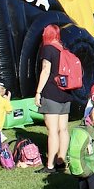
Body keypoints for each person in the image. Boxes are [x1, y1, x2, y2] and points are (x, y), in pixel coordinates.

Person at [35, 25, 73, 174]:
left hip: (51, 92)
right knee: (63, 129)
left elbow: (46, 70)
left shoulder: (47, 49)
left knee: (52, 131)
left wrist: (38, 92)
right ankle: (61, 161)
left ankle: (50, 165)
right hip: (66, 92)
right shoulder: (64, 49)